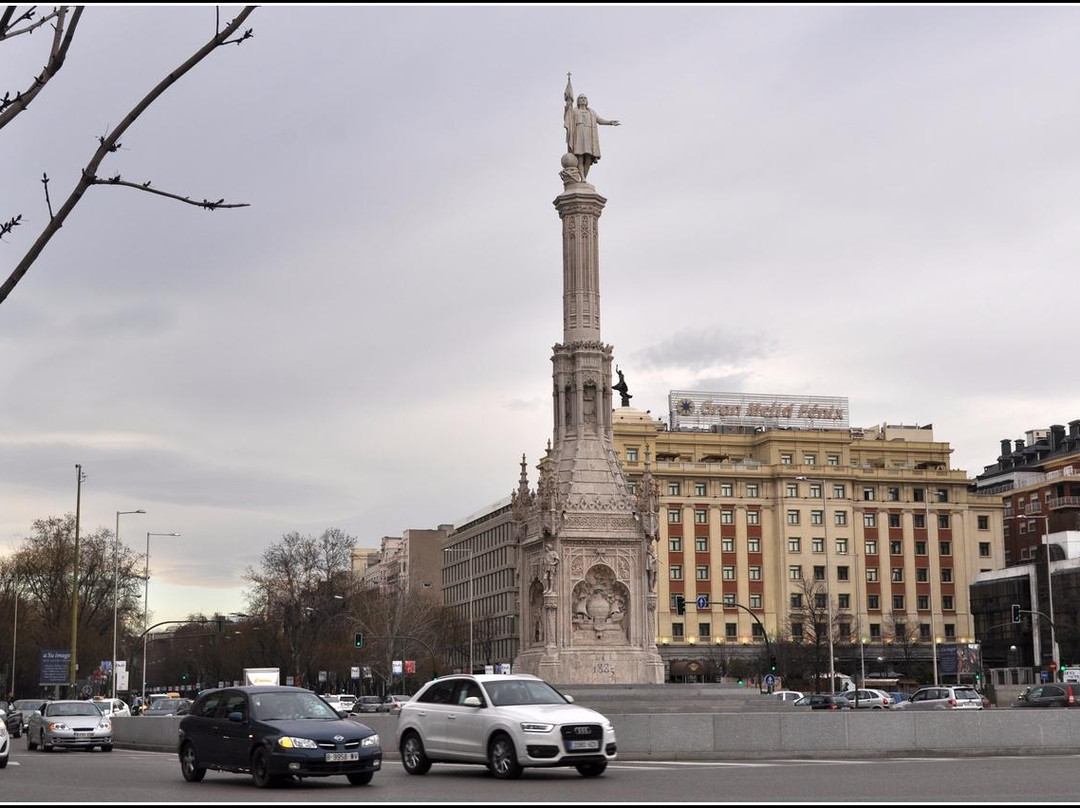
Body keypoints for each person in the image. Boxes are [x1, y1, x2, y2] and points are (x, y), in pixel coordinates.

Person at [563, 75, 620, 180]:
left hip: (589, 135)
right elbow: (568, 117)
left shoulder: (592, 112)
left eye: (584, 98)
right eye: (581, 98)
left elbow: (600, 121)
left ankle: (584, 177)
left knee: (588, 158)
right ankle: (583, 178)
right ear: (578, 101)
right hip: (579, 134)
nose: (583, 99)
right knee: (579, 157)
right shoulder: (575, 111)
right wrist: (568, 105)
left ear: (587, 101)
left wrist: (610, 122)